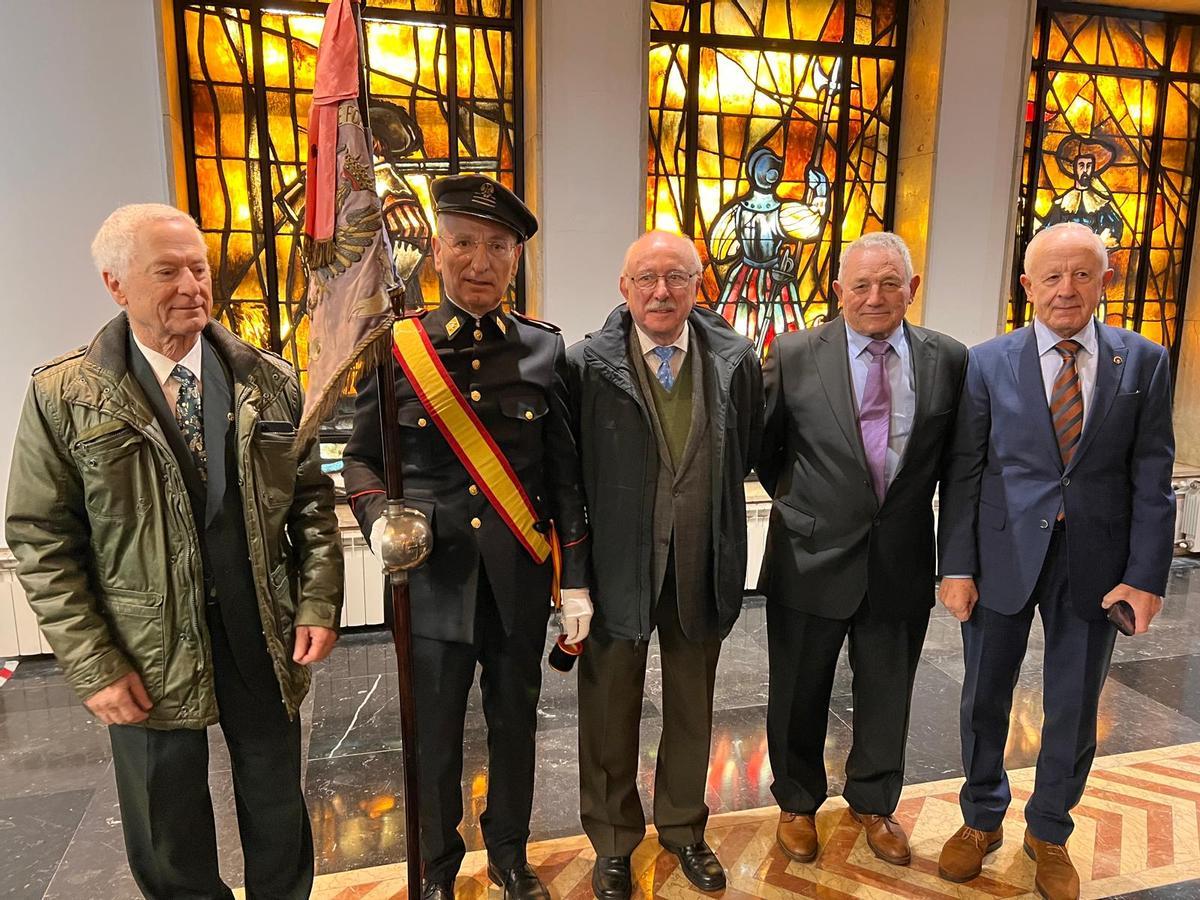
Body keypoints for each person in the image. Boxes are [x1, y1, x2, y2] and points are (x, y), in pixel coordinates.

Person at [5, 203, 344, 899]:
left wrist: (317, 601)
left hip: (260, 632)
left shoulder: (270, 380)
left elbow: (310, 503)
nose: (192, 285)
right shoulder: (65, 395)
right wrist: (94, 664)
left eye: (198, 268)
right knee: (167, 827)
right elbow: (42, 538)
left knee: (278, 808)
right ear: (116, 285)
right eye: (167, 271)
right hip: (143, 645)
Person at [341, 175, 592, 900]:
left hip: (518, 580)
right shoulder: (397, 346)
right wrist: (379, 518)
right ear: (437, 252)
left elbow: (564, 474)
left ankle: (510, 856)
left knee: (516, 728)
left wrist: (576, 580)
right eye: (464, 243)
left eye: (498, 247)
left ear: (516, 259)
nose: (480, 261)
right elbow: (359, 457)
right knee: (434, 737)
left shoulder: (544, 349)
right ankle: (436, 869)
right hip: (431, 583)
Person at [936, 223, 1175, 900]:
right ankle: (981, 818)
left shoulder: (1144, 361)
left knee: (1073, 705)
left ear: (1106, 280)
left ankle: (1049, 831)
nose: (1066, 288)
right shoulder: (987, 362)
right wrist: (956, 567)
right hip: (1001, 555)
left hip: (1096, 564)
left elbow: (1152, 475)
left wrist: (1145, 576)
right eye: (1051, 276)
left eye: (1081, 274)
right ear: (1027, 285)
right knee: (984, 697)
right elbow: (965, 471)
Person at [756, 232, 968, 868]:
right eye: (860, 285)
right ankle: (797, 803)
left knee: (888, 689)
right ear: (838, 290)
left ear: (912, 289)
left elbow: (958, 465)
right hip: (810, 554)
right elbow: (766, 451)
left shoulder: (948, 359)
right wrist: (814, 505)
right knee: (798, 688)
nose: (874, 297)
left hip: (900, 556)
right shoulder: (793, 353)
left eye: (889, 283)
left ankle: (875, 802)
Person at [566, 230, 763, 899]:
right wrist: (573, 578)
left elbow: (747, 447)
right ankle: (612, 841)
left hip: (702, 559)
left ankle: (683, 828)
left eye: (676, 277)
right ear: (624, 287)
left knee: (691, 705)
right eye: (645, 278)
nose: (660, 291)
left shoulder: (735, 359)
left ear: (696, 285)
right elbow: (568, 475)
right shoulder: (586, 365)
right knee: (608, 708)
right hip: (616, 566)